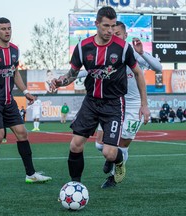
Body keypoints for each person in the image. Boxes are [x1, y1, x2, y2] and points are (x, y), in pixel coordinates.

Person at [49, 6, 150, 184]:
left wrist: (144, 104)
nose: (110, 31)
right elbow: (72, 74)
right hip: (91, 102)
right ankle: (75, 184)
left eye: (112, 26)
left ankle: (119, 161)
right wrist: (60, 82)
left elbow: (138, 74)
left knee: (109, 152)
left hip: (113, 104)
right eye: (105, 26)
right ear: (96, 24)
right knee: (75, 144)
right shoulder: (82, 48)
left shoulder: (123, 48)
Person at [0, 17, 52, 186]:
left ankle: (30, 174)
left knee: (23, 133)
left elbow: (14, 73)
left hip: (9, 101)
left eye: (9, 28)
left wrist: (26, 92)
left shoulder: (15, 50)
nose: (7, 31)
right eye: (3, 29)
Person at [95, 21, 162, 188]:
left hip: (133, 107)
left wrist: (142, 53)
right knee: (99, 144)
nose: (113, 35)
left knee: (122, 145)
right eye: (111, 32)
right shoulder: (108, 54)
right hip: (113, 104)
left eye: (117, 33)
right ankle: (112, 159)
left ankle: (113, 177)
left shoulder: (135, 54)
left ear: (125, 35)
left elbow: (159, 68)